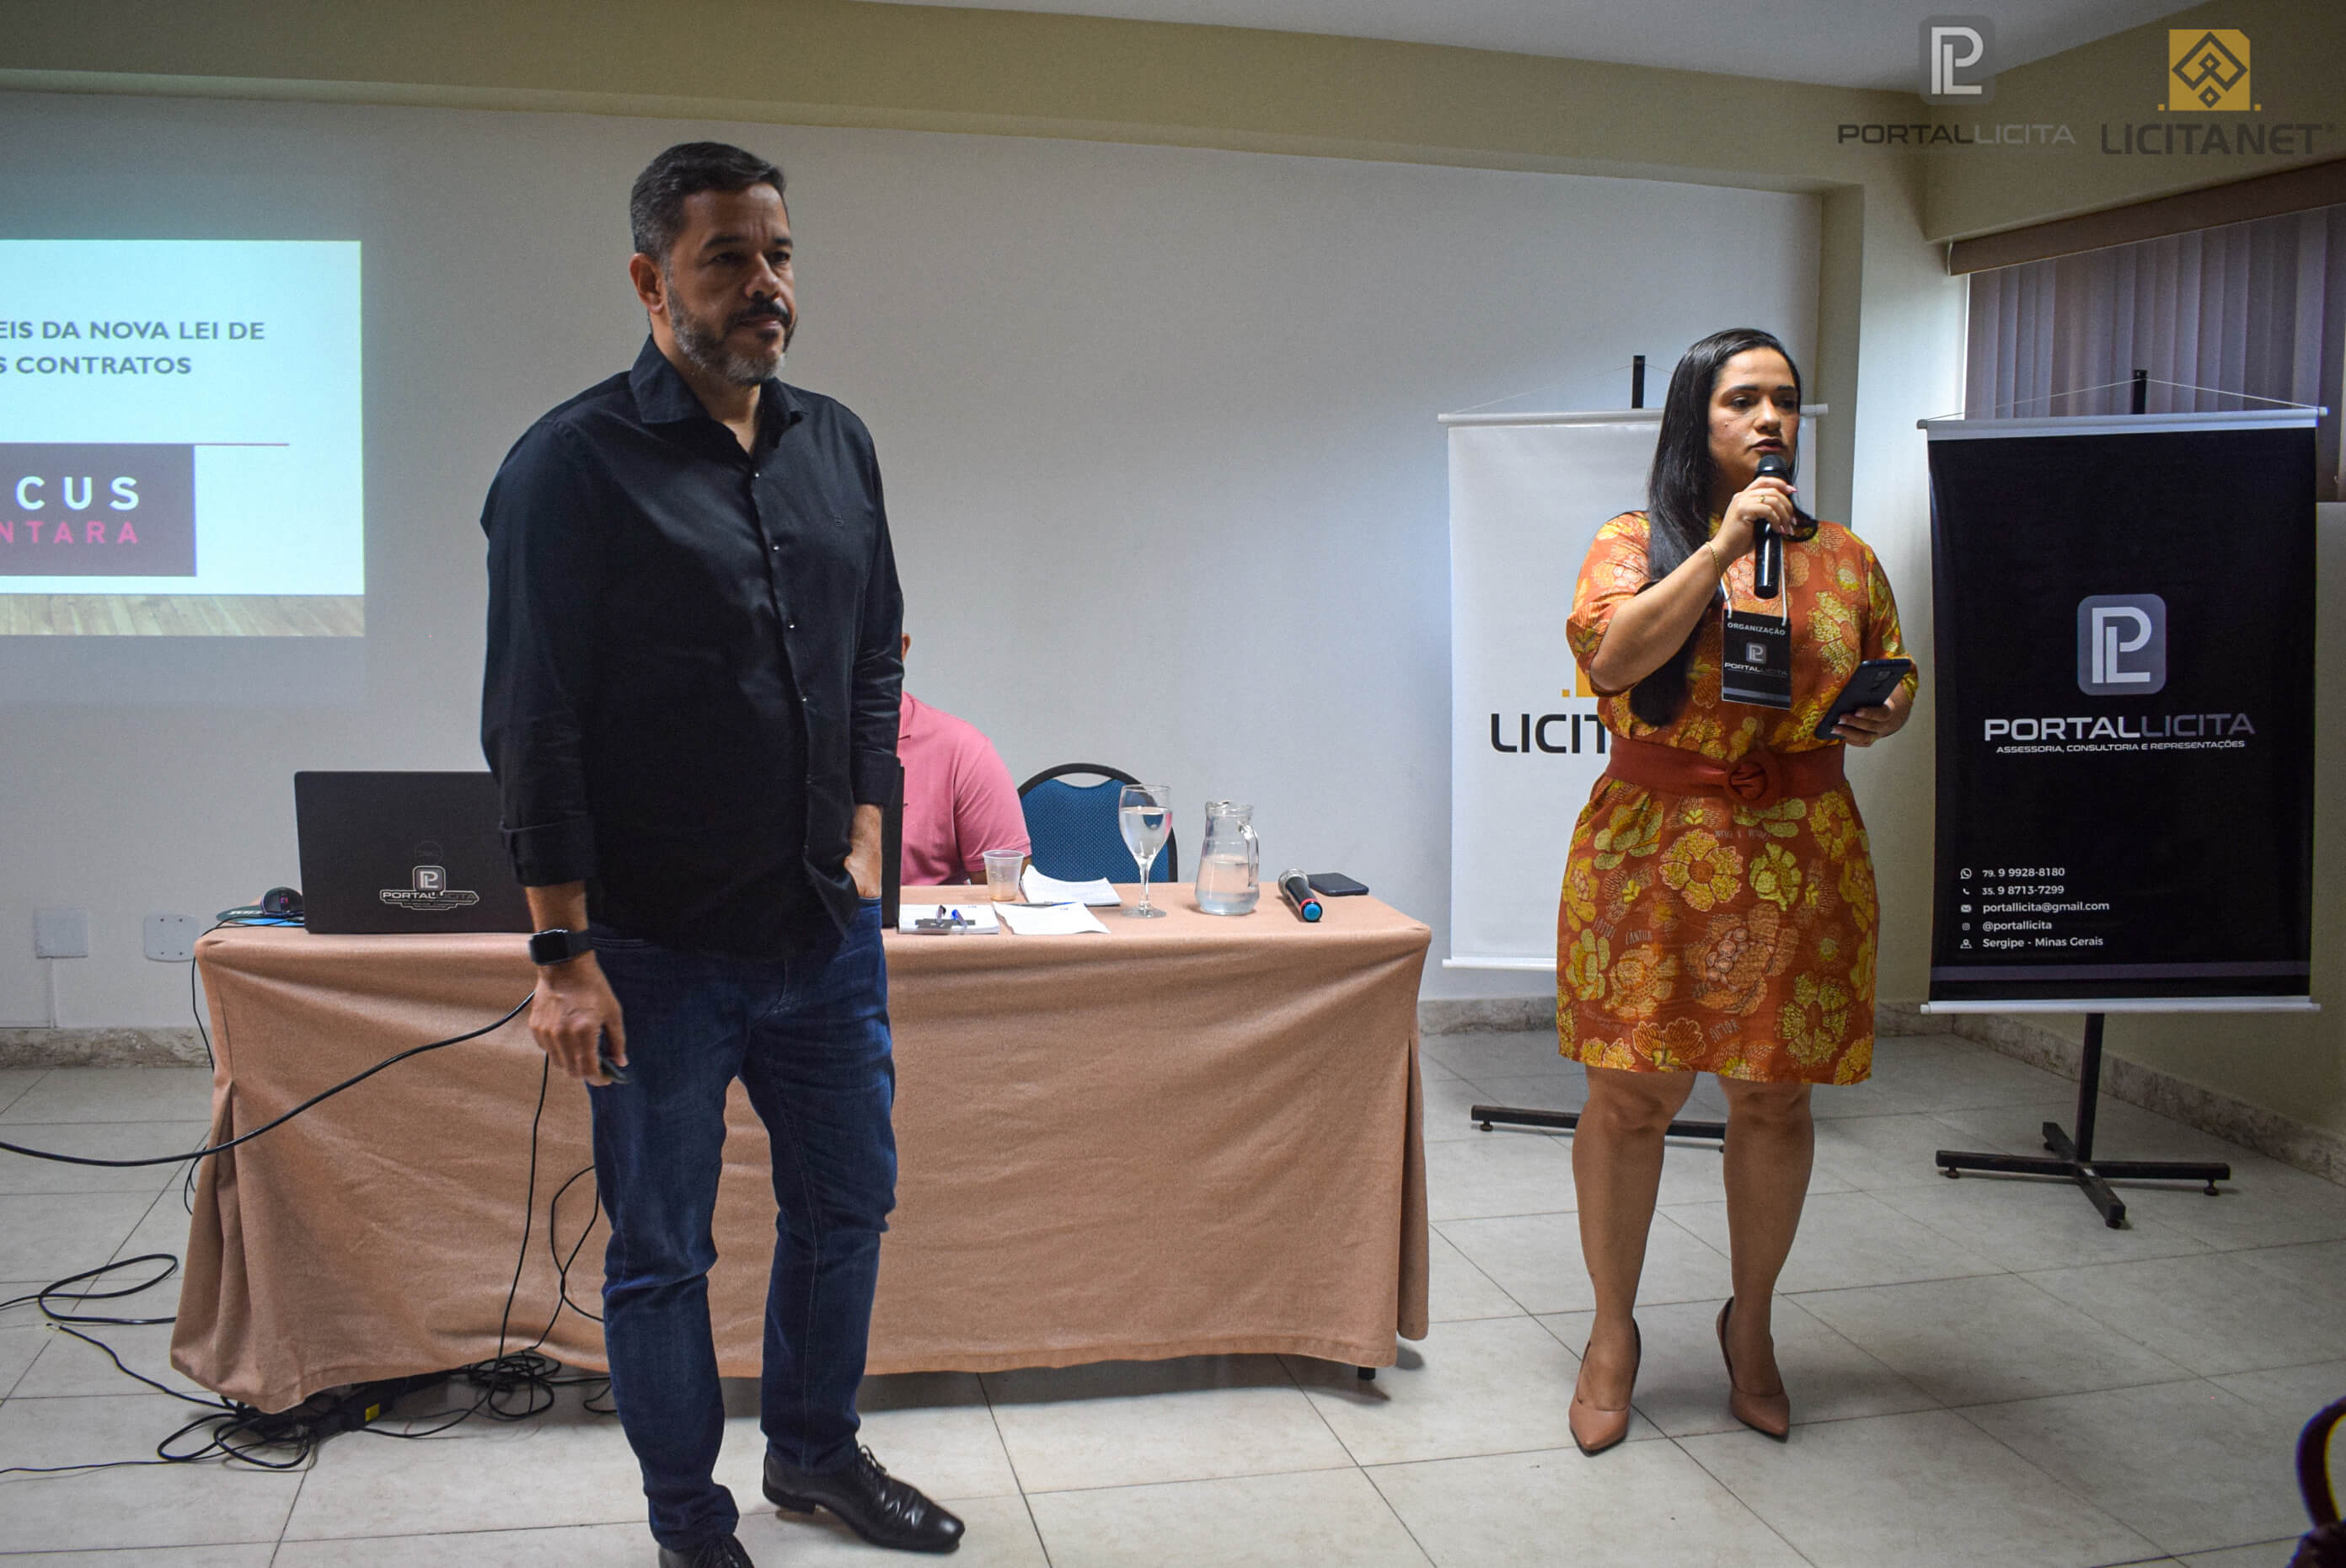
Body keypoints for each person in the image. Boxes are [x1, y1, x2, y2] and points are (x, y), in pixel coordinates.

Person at [480, 142, 963, 1566]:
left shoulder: (837, 443)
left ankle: (812, 1456)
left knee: (847, 1208)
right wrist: (561, 954)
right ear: (651, 281)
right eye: (728, 258)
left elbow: (874, 656)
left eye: (780, 254)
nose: (767, 285)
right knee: (661, 1253)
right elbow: (532, 721)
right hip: (654, 950)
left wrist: (866, 828)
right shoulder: (568, 468)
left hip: (821, 935)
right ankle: (689, 1523)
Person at [1556, 327, 1915, 1456]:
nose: (1770, 420)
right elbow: (1614, 657)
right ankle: (1612, 1332)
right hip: (1654, 853)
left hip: (1803, 854)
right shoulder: (1631, 542)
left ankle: (1749, 1324)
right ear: (1695, 420)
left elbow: (1892, 666)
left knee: (1774, 1102)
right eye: (1743, 400)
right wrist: (1719, 549)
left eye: (1785, 401)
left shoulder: (1844, 558)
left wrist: (1887, 705)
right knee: (1632, 1099)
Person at [896, 633, 1031, 886]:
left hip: (925, 911)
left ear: (899, 649)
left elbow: (1005, 883)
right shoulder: (811, 742)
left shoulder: (961, 748)